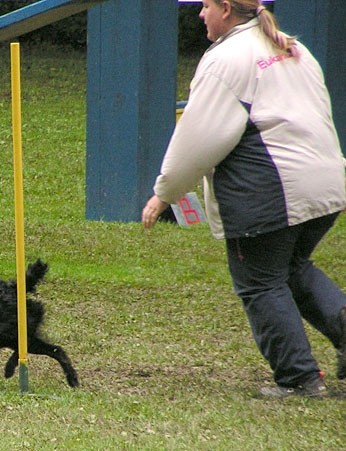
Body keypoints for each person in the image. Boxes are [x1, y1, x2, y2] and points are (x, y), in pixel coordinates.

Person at [142, 0, 346, 398]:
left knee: (260, 283)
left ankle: (300, 378)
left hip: (269, 197)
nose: (200, 14)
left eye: (205, 5)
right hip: (326, 185)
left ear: (226, 10)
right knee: (290, 268)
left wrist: (163, 194)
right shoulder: (293, 47)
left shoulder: (224, 61)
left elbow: (199, 139)